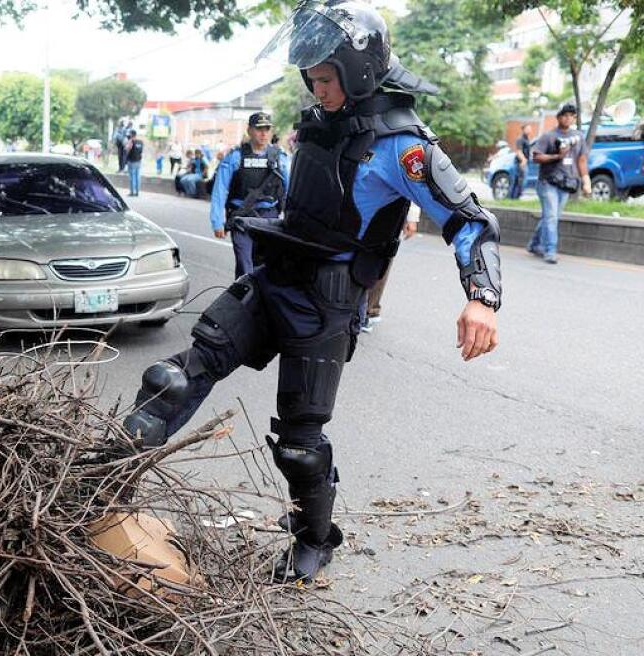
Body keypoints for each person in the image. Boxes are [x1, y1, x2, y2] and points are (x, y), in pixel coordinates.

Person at [122, 0, 502, 585]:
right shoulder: (322, 121)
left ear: (358, 73)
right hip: (276, 278)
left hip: (327, 304)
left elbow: (469, 220)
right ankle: (102, 481)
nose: (316, 88)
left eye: (326, 78)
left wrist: (481, 297)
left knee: (299, 444)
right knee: (174, 377)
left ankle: (315, 539)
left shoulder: (404, 146)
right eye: (311, 78)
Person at [209, 111, 290, 279]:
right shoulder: (235, 156)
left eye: (267, 129)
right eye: (259, 128)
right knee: (244, 264)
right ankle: (244, 300)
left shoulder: (280, 158)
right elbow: (220, 189)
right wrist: (217, 221)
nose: (263, 133)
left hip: (269, 217)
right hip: (241, 217)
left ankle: (258, 302)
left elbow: (291, 190)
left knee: (265, 266)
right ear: (249, 131)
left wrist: (292, 219)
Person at [529, 103, 590, 264]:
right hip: (547, 182)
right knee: (551, 217)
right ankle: (550, 251)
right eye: (565, 115)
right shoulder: (548, 136)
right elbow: (536, 157)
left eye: (571, 115)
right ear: (558, 117)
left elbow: (582, 160)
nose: (568, 118)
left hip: (566, 184)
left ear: (574, 118)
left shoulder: (579, 137)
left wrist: (586, 181)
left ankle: (534, 244)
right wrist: (556, 156)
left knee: (551, 217)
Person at [360, 207, 420, 333]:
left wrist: (412, 217)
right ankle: (368, 310)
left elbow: (416, 187)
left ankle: (366, 310)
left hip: (391, 207)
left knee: (383, 252)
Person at [511, 123, 533, 199]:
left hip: (524, 162)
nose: (529, 130)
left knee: (520, 180)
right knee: (520, 181)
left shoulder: (527, 139)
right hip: (520, 163)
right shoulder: (520, 139)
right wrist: (523, 160)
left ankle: (515, 197)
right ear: (523, 129)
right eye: (528, 128)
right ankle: (514, 197)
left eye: (530, 128)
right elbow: (518, 151)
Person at [125, 129, 144, 196]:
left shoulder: (131, 141)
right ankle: (137, 191)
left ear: (131, 135)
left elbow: (127, 149)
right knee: (137, 176)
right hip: (138, 161)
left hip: (131, 161)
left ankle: (132, 192)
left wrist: (128, 143)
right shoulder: (141, 142)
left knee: (132, 177)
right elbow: (141, 151)